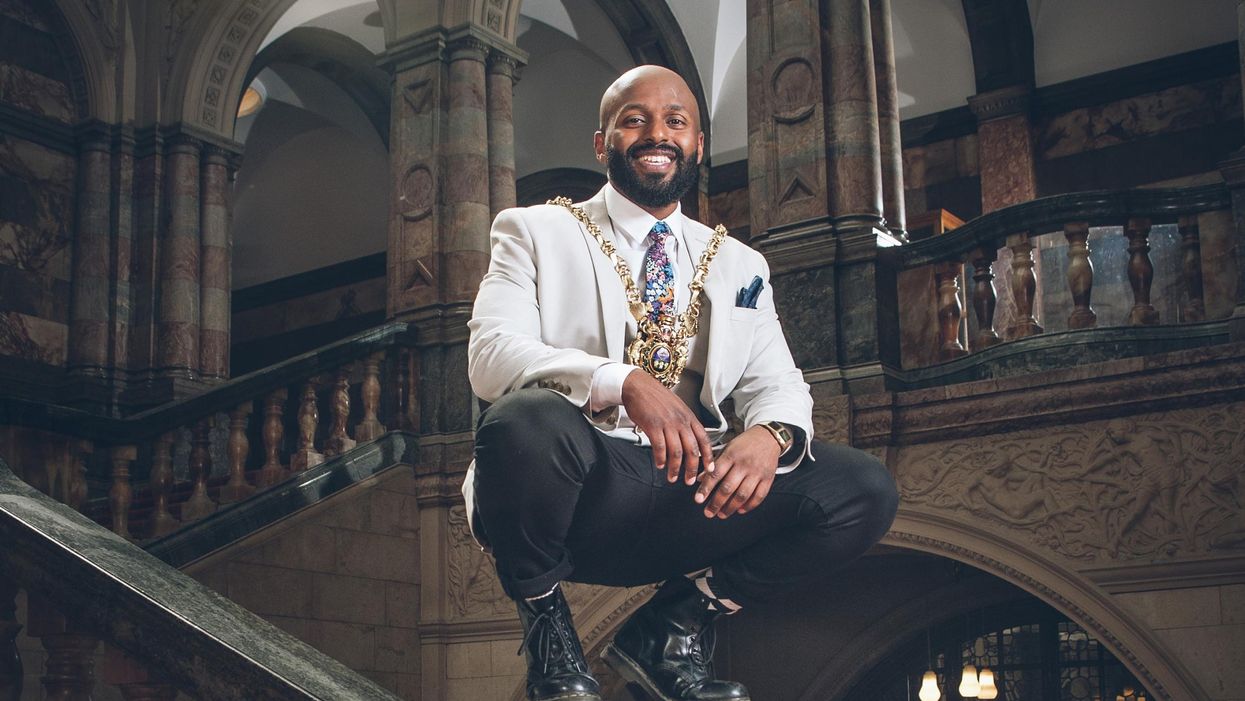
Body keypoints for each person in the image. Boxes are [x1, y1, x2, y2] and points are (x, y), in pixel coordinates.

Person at [464, 65, 898, 701]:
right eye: (634, 119)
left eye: (675, 122)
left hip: (692, 496)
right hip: (581, 491)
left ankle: (673, 626)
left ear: (696, 143)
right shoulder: (533, 230)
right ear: (602, 141)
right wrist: (621, 381)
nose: (655, 134)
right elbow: (491, 357)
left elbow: (778, 381)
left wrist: (771, 436)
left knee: (862, 489)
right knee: (522, 421)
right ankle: (549, 633)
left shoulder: (741, 263)